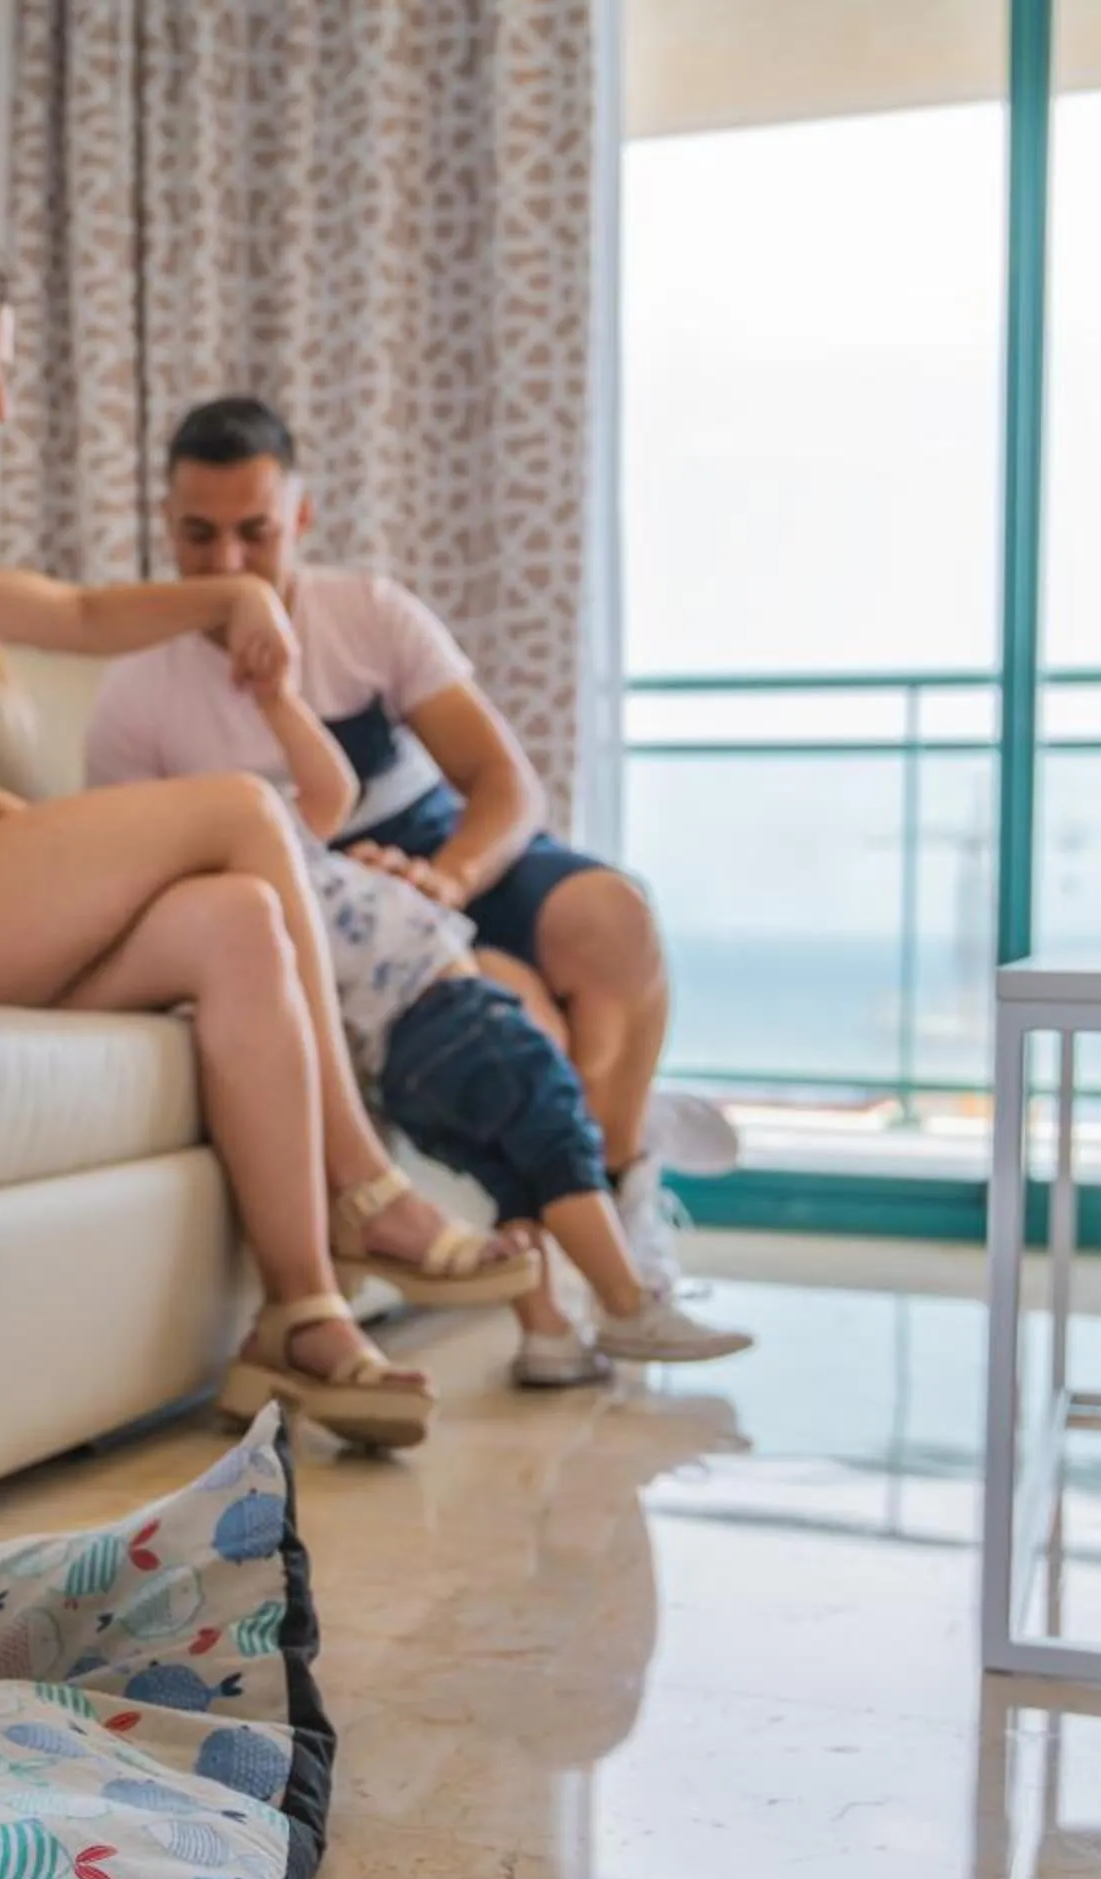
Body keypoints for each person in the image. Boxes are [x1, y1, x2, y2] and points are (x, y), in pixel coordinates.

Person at [0, 210, 536, 1453]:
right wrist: (110, 851)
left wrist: (230, 595)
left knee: (238, 916)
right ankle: (368, 1178)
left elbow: (85, 608)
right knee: (238, 810)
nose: (0, 407)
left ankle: (302, 1312)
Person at [94, 395, 742, 1301]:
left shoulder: (369, 615)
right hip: (322, 892)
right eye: (200, 536)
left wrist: (446, 879)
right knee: (524, 1022)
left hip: (445, 846)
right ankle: (610, 1185)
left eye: (256, 533)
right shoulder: (134, 694)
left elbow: (505, 782)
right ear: (165, 521)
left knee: (614, 916)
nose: (229, 563)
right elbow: (143, 879)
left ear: (302, 518)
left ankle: (625, 1168)